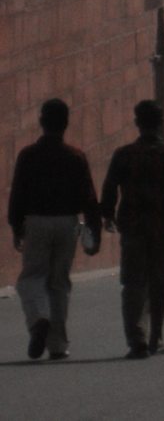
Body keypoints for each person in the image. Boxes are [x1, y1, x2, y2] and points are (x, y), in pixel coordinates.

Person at [100, 100, 164, 359]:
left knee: (132, 283)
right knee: (160, 283)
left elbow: (110, 188)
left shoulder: (124, 155)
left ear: (137, 123)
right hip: (162, 227)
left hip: (132, 227)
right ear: (161, 123)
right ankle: (156, 336)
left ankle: (136, 339)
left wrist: (107, 214)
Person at [7, 98, 101, 361]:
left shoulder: (28, 155)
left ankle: (38, 319)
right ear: (66, 124)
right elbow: (89, 197)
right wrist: (94, 230)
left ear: (41, 122)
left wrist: (16, 226)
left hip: (37, 221)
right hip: (68, 222)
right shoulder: (75, 156)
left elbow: (18, 193)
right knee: (59, 283)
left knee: (32, 278)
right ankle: (58, 344)